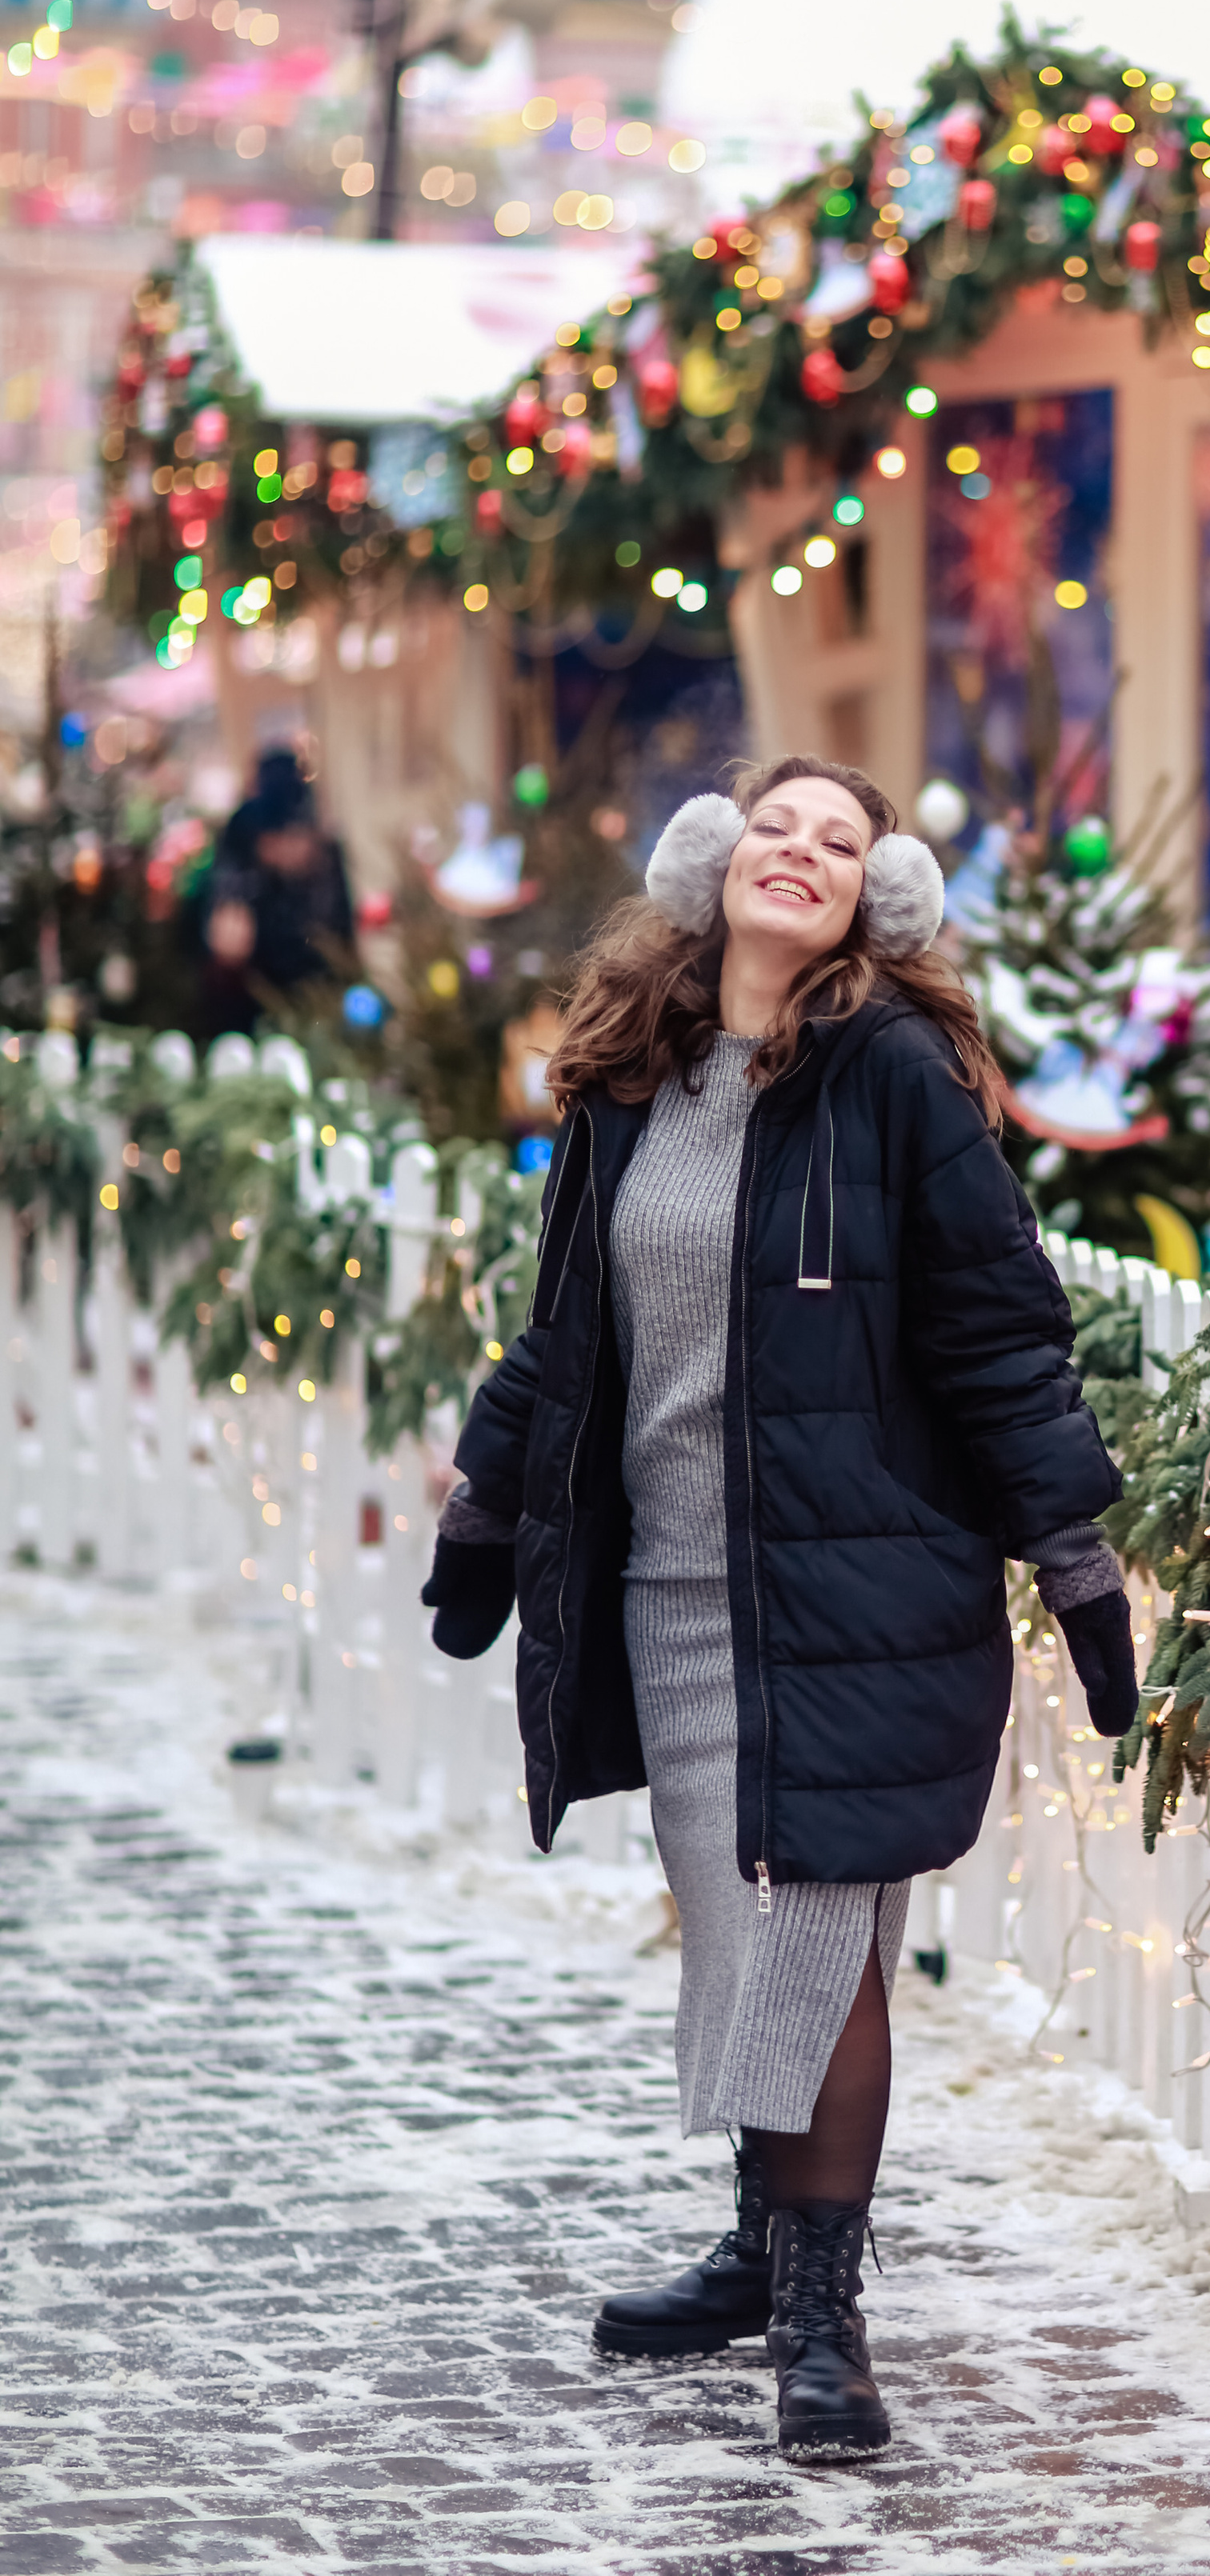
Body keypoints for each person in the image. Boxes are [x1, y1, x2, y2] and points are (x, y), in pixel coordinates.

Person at [422, 754, 1136, 2464]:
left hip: (853, 1581)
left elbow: (999, 1332)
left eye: (841, 842)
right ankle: (763, 2248)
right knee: (748, 1934)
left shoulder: (892, 1077)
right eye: (778, 826)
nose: (802, 853)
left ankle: (823, 2317)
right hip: (671, 1591)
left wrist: (1072, 1550)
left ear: (872, 899)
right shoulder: (631, 1082)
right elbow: (563, 1336)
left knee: (813, 1930)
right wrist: (488, 1501)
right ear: (714, 862)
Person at [196, 745, 355, 1034]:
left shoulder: (326, 860)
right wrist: (225, 957)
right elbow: (220, 938)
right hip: (254, 1007)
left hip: (318, 1003)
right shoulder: (239, 851)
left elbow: (339, 938)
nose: (287, 848)